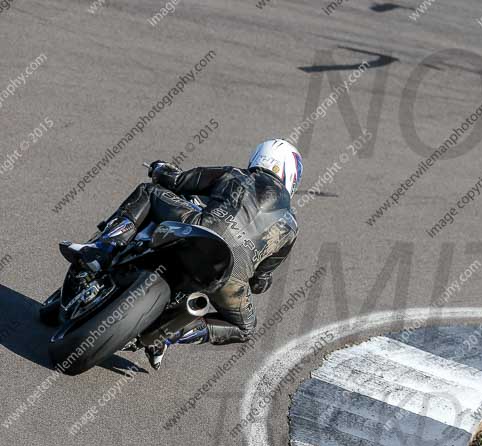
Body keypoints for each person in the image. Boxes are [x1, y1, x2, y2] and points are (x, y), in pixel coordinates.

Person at [59, 139, 302, 369]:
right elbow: (260, 282)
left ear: (260, 157)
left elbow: (177, 181)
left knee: (149, 192)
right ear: (290, 176)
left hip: (201, 230)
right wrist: (259, 278)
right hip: (230, 275)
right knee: (245, 328)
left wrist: (159, 169)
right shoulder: (290, 226)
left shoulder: (236, 175)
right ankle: (169, 335)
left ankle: (104, 247)